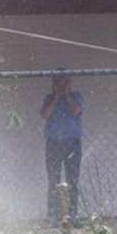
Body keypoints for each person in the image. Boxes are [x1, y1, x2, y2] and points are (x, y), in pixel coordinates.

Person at [40, 71, 84, 225]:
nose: (61, 86)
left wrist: (66, 96)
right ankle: (53, 216)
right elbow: (45, 115)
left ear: (70, 84)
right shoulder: (49, 98)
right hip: (53, 143)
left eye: (65, 83)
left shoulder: (76, 97)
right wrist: (57, 97)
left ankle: (73, 216)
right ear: (53, 85)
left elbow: (76, 111)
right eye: (58, 83)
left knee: (72, 180)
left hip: (72, 143)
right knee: (54, 180)